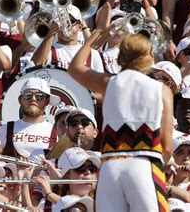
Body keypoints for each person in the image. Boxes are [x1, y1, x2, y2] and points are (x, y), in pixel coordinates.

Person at [68, 26, 174, 211]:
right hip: (144, 164)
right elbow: (167, 145)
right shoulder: (162, 90)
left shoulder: (108, 83)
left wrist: (96, 34)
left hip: (110, 167)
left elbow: (74, 68)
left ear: (121, 55)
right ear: (149, 57)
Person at [0, 77, 60, 159]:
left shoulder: (57, 133)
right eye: (28, 95)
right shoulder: (4, 130)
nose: (33, 99)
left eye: (39, 96)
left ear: (47, 101)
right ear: (20, 100)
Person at [35, 147, 100, 210]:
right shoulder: (45, 205)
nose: (88, 172)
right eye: (81, 169)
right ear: (67, 176)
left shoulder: (104, 201)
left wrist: (49, 194)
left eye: (92, 168)